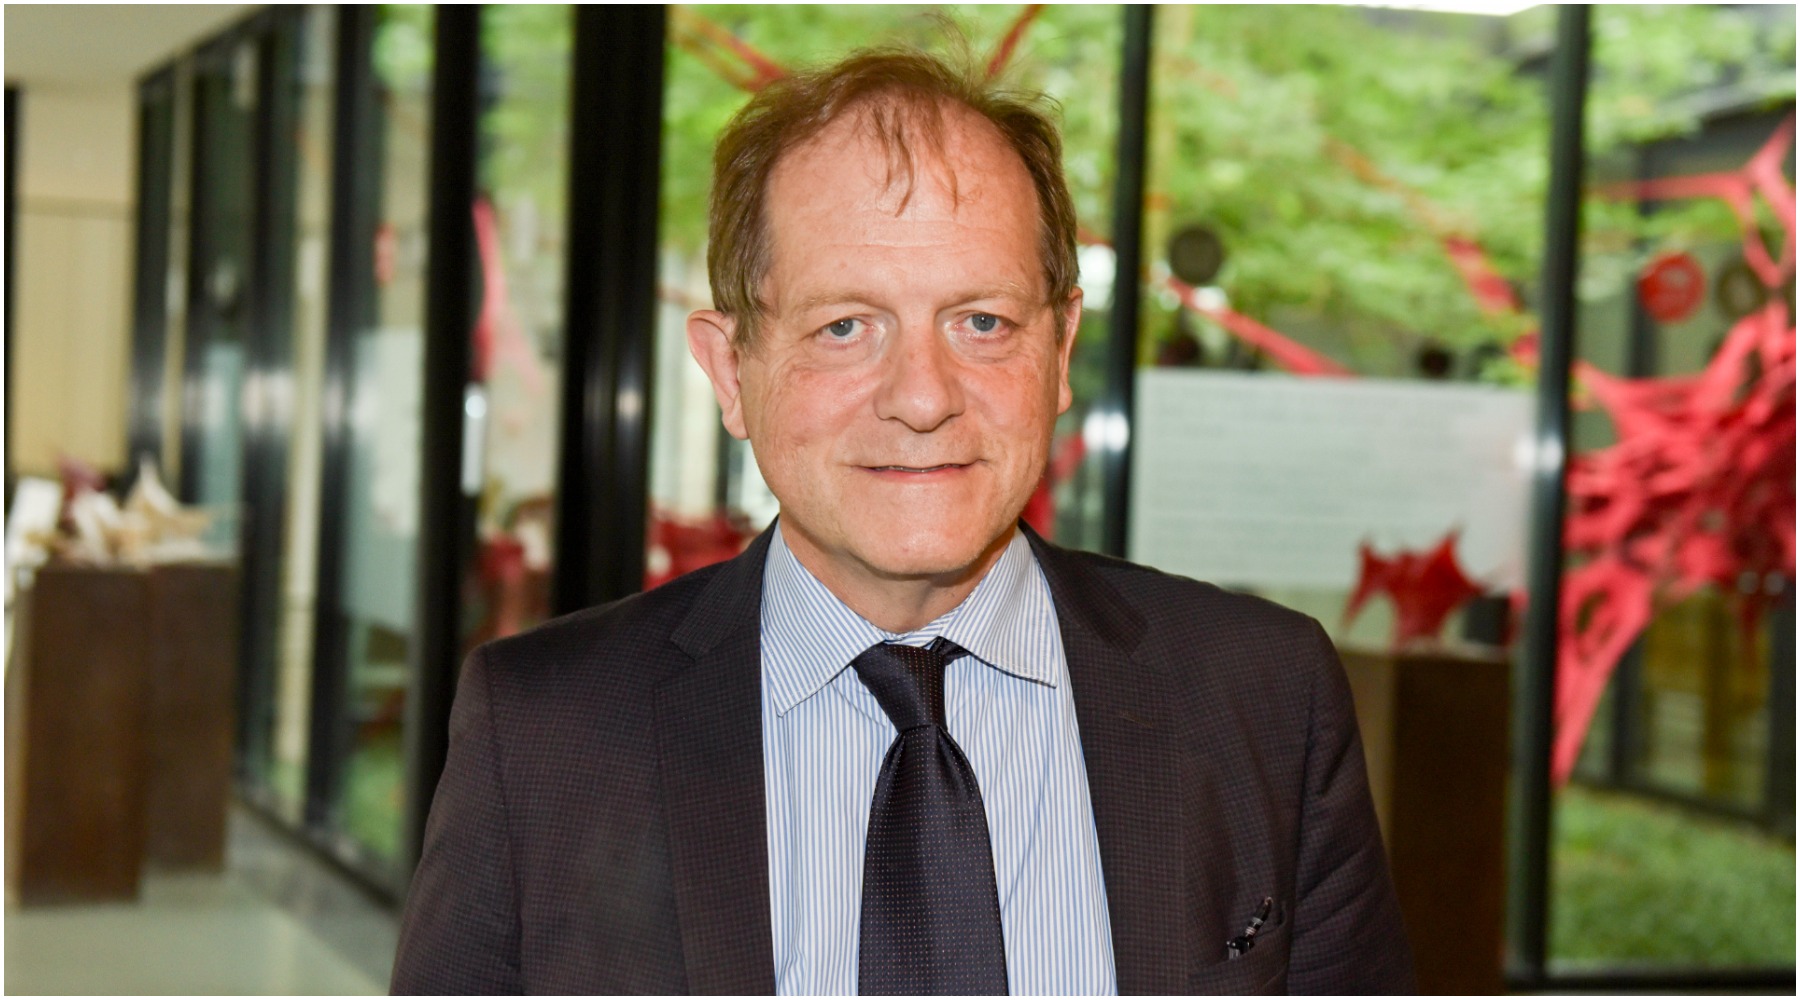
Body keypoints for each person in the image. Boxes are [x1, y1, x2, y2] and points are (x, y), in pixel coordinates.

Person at [391, 47, 1413, 996]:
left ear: (1060, 353)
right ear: (731, 370)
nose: (923, 397)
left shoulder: (1263, 700)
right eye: (845, 326)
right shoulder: (544, 734)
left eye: (982, 322)